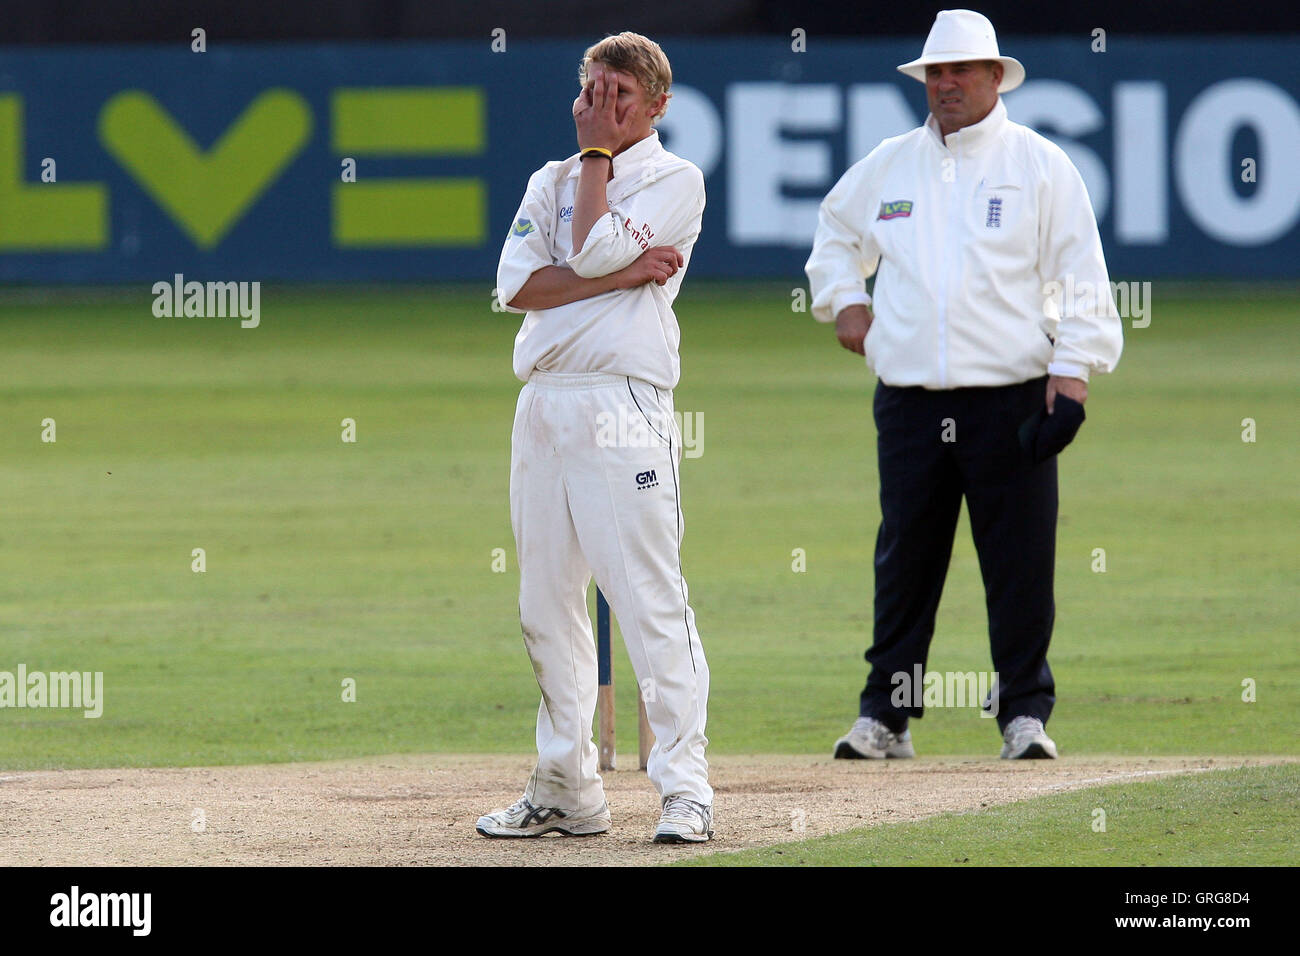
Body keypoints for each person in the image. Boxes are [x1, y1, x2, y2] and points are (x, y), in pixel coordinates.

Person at [804, 9, 1123, 760]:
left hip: (1011, 396)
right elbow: (835, 234)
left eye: (960, 71)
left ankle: (1024, 715)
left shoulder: (1039, 165)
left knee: (1019, 561)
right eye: (935, 73)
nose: (945, 84)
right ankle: (886, 716)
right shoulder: (891, 164)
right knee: (905, 561)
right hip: (910, 400)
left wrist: (1073, 375)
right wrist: (845, 299)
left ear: (995, 77)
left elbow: (1081, 274)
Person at [478, 32, 713, 842]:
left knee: (648, 598)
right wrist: (621, 274)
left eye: (620, 94)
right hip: (544, 401)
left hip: (623, 401)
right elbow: (516, 286)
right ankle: (568, 790)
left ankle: (686, 790)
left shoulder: (675, 179)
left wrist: (598, 160)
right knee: (544, 605)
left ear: (657, 105)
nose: (600, 106)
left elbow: (588, 247)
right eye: (592, 89)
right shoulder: (551, 178)